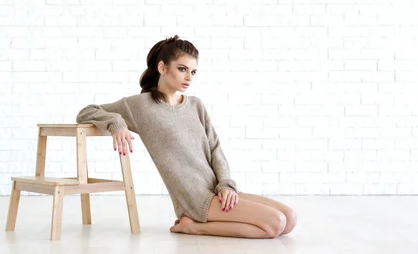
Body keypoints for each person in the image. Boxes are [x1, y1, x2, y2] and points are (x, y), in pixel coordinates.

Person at [76, 35, 297, 238]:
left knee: (289, 219)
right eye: (182, 69)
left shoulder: (196, 105)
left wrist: (227, 185)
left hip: (217, 190)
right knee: (275, 224)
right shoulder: (141, 106)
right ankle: (192, 227)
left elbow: (215, 149)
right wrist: (117, 123)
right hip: (196, 199)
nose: (188, 77)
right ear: (162, 67)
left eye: (193, 71)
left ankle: (205, 216)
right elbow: (87, 111)